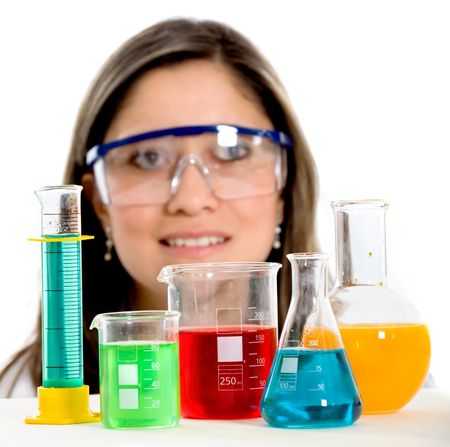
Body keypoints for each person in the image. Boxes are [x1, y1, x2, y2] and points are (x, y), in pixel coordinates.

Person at [0, 17, 318, 397]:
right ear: (99, 202)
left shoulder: (350, 382)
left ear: (285, 188)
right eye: (148, 158)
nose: (191, 200)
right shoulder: (16, 402)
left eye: (233, 151)